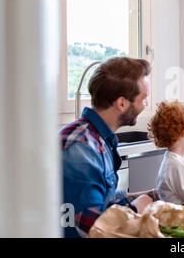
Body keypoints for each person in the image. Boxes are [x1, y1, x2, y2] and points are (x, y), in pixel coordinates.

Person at [60, 57, 156, 238]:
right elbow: (95, 227)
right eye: (144, 98)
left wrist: (151, 195)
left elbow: (104, 199)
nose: (146, 104)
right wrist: (135, 208)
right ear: (122, 104)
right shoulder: (79, 149)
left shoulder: (98, 139)